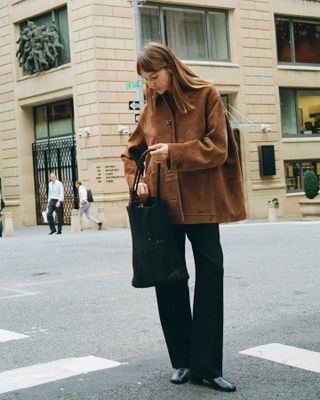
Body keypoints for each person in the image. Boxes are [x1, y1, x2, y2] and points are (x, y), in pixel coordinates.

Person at [121, 42, 246, 392]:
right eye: (146, 78)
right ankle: (182, 361)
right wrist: (140, 180)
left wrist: (174, 152)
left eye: (154, 75)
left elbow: (218, 148)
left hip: (203, 204)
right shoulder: (151, 107)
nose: (151, 83)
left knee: (211, 278)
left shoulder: (206, 95)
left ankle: (207, 366)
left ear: (170, 68)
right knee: (169, 281)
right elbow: (131, 153)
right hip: (164, 207)